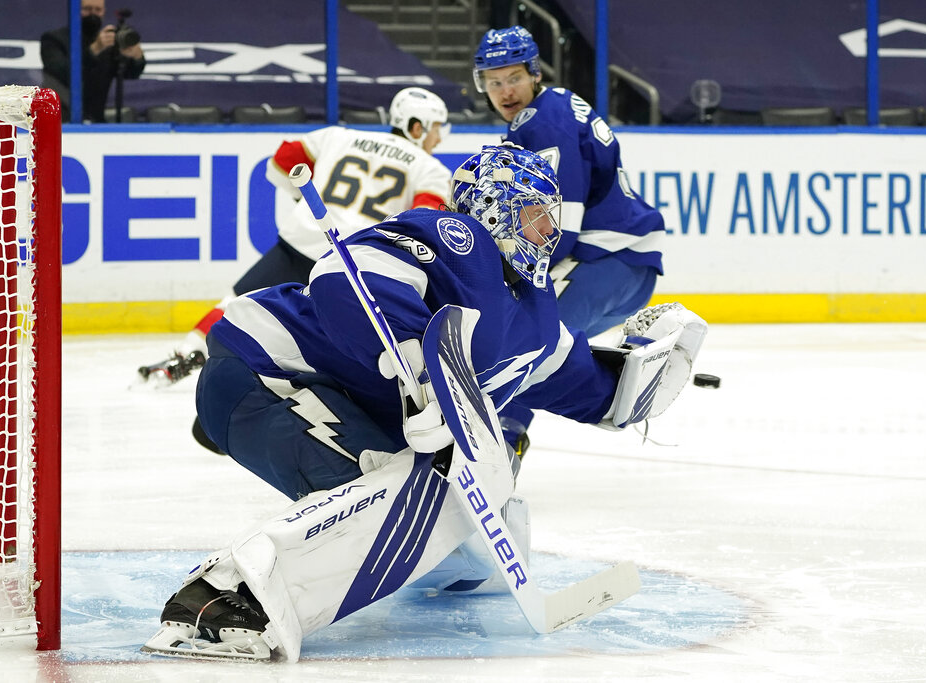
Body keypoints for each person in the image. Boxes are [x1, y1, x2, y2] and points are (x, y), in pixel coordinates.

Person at [141, 143, 707, 661]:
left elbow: (594, 392)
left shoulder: (540, 320)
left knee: (467, 494)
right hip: (266, 369)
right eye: (537, 216)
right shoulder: (457, 240)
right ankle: (222, 599)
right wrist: (418, 365)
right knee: (409, 482)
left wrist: (648, 376)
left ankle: (449, 568)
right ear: (497, 209)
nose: (549, 234)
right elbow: (343, 279)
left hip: (319, 396)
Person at [138, 87, 453, 398]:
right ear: (417, 126)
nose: (439, 138)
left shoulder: (339, 136)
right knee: (339, 336)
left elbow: (281, 162)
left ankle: (184, 354)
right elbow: (421, 221)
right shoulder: (430, 169)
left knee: (236, 304)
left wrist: (308, 200)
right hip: (353, 261)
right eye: (436, 128)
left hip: (302, 240)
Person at [472, 25, 668, 454]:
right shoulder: (554, 109)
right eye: (494, 82)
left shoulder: (540, 121)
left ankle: (498, 450)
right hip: (624, 268)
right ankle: (631, 365)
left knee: (521, 346)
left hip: (603, 261)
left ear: (534, 74)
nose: (505, 91)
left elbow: (558, 222)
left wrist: (513, 278)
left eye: (514, 78)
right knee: (539, 351)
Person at [40, 0, 145, 123]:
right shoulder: (54, 39)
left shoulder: (109, 43)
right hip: (59, 121)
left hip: (96, 121)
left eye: (98, 10)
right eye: (88, 9)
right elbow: (61, 72)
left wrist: (137, 57)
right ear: (75, 11)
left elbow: (130, 74)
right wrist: (94, 50)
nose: (93, 14)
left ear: (104, 12)